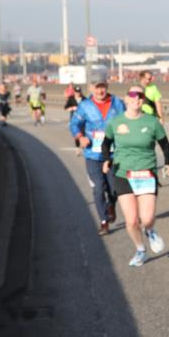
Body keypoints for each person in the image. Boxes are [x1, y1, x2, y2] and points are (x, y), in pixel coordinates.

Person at [101, 87, 169, 266]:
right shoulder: (115, 122)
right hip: (123, 174)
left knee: (147, 219)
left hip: (146, 173)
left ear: (143, 100)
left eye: (141, 96)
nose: (137, 98)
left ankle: (149, 230)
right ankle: (141, 250)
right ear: (126, 99)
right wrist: (107, 159)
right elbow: (106, 143)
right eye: (133, 95)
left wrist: (168, 163)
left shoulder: (152, 122)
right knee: (131, 220)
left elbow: (166, 145)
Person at [69, 81, 126, 235]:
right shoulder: (85, 106)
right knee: (99, 187)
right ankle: (104, 221)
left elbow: (127, 120)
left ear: (107, 87)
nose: (100, 91)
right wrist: (80, 137)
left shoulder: (117, 103)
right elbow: (74, 124)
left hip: (113, 154)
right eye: (96, 87)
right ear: (91, 88)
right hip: (93, 154)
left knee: (114, 188)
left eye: (102, 87)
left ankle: (111, 205)